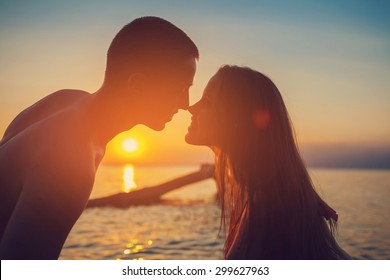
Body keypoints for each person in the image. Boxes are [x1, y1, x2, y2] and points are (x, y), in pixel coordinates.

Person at [0, 16, 198, 259]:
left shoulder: (61, 102)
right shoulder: (69, 162)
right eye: (180, 90)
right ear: (138, 86)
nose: (185, 104)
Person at [185, 65, 351, 259]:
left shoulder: (269, 211)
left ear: (235, 120)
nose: (191, 107)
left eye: (207, 101)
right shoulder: (276, 199)